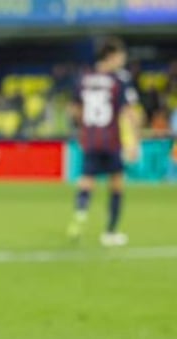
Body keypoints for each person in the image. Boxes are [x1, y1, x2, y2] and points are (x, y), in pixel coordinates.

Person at [67, 36, 141, 247]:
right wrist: (134, 140)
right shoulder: (119, 80)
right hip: (111, 140)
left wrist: (85, 128)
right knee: (117, 183)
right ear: (111, 56)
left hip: (90, 139)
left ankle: (80, 214)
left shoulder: (84, 77)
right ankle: (110, 233)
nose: (122, 61)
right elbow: (128, 111)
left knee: (87, 179)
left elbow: (74, 109)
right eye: (120, 56)